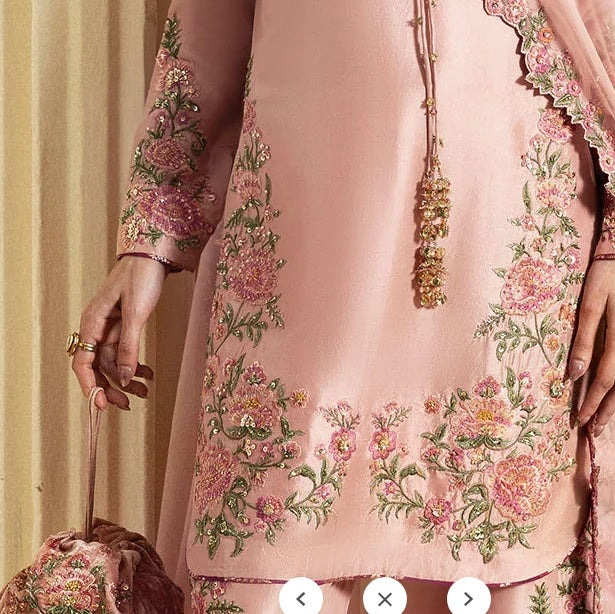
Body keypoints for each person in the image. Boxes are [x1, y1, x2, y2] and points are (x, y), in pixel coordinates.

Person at [70, 0, 615, 611]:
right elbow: (201, 44)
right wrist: (147, 247)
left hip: (511, 264)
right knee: (272, 534)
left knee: (504, 550)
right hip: (304, 271)